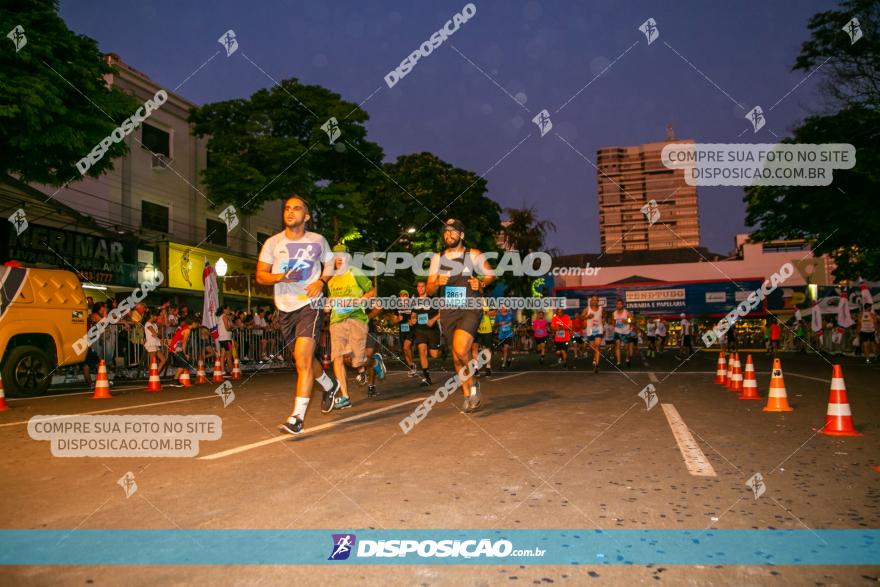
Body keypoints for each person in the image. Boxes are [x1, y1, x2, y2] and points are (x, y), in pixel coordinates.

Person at [255, 195, 340, 435]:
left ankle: (297, 418)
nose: (290, 212)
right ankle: (329, 384)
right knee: (301, 358)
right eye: (287, 208)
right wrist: (281, 276)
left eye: (297, 209)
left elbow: (331, 264)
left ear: (307, 216)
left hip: (310, 304)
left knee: (302, 357)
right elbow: (261, 275)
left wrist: (321, 281)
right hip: (284, 306)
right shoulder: (273, 243)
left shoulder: (318, 240)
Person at [426, 218, 494, 412]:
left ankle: (474, 387)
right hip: (448, 310)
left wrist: (481, 283)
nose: (448, 234)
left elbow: (491, 275)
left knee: (461, 347)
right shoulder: (437, 259)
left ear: (461, 235)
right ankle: (467, 393)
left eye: (453, 231)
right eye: (445, 232)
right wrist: (437, 281)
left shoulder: (473, 254)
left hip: (470, 307)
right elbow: (430, 289)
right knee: (456, 357)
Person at [326, 244, 382, 410]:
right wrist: (328, 305)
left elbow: (372, 291)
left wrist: (361, 299)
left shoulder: (355, 273)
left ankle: (374, 362)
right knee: (337, 357)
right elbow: (331, 299)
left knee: (358, 361)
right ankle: (345, 396)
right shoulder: (331, 280)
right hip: (336, 321)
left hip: (356, 319)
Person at [411, 279, 441, 386]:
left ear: (426, 288)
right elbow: (413, 313)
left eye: (422, 286)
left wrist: (433, 320)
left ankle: (443, 350)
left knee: (434, 355)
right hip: (420, 329)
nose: (420, 289)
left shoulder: (433, 298)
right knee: (422, 349)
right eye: (418, 287)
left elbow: (442, 311)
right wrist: (413, 319)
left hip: (433, 330)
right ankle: (427, 378)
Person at [392, 290, 416, 376]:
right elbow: (393, 320)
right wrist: (398, 319)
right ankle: (411, 366)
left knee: (406, 347)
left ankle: (412, 366)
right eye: (401, 296)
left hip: (411, 329)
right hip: (402, 330)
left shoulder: (412, 306)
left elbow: (414, 316)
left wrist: (412, 321)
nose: (403, 297)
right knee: (405, 350)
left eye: (405, 296)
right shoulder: (397, 308)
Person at [581, 296, 604, 373]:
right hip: (590, 331)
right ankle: (594, 359)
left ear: (598, 301)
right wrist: (587, 317)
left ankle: (596, 364)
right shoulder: (587, 309)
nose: (594, 301)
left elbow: (603, 317)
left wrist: (602, 323)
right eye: (592, 300)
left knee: (597, 346)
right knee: (593, 348)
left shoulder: (601, 309)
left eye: (595, 300)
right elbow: (581, 317)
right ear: (591, 301)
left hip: (599, 330)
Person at [167, 317, 194, 384]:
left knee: (183, 363)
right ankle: (175, 380)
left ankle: (177, 379)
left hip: (176, 347)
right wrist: (184, 354)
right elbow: (184, 343)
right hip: (176, 348)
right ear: (193, 323)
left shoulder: (184, 328)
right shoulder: (187, 330)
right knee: (184, 363)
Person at [611, 299, 635, 368]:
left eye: (620, 304)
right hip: (617, 332)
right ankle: (618, 362)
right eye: (617, 304)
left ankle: (627, 359)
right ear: (616, 305)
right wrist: (614, 323)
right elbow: (613, 323)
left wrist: (627, 321)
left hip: (626, 332)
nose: (619, 305)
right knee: (617, 346)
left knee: (626, 348)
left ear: (622, 305)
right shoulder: (614, 313)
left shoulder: (626, 312)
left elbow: (633, 320)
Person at [474, 306, 494, 377]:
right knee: (474, 348)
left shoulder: (488, 300)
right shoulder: (472, 301)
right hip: (476, 329)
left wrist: (483, 312)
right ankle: (476, 368)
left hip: (487, 330)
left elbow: (493, 312)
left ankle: (488, 367)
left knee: (487, 350)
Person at [494, 304, 514, 369]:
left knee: (506, 348)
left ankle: (503, 364)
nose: (502, 308)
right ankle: (509, 358)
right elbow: (495, 324)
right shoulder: (498, 316)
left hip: (509, 334)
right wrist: (499, 324)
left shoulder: (510, 315)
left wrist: (511, 324)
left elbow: (514, 322)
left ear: (506, 308)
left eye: (504, 307)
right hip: (501, 335)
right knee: (503, 350)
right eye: (501, 307)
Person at [216, 306, 234, 376]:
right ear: (224, 310)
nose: (229, 310)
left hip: (222, 339)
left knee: (223, 355)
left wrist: (231, 320)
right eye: (228, 309)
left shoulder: (220, 317)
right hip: (227, 339)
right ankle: (231, 370)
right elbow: (227, 328)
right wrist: (233, 328)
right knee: (229, 355)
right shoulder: (225, 317)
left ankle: (222, 371)